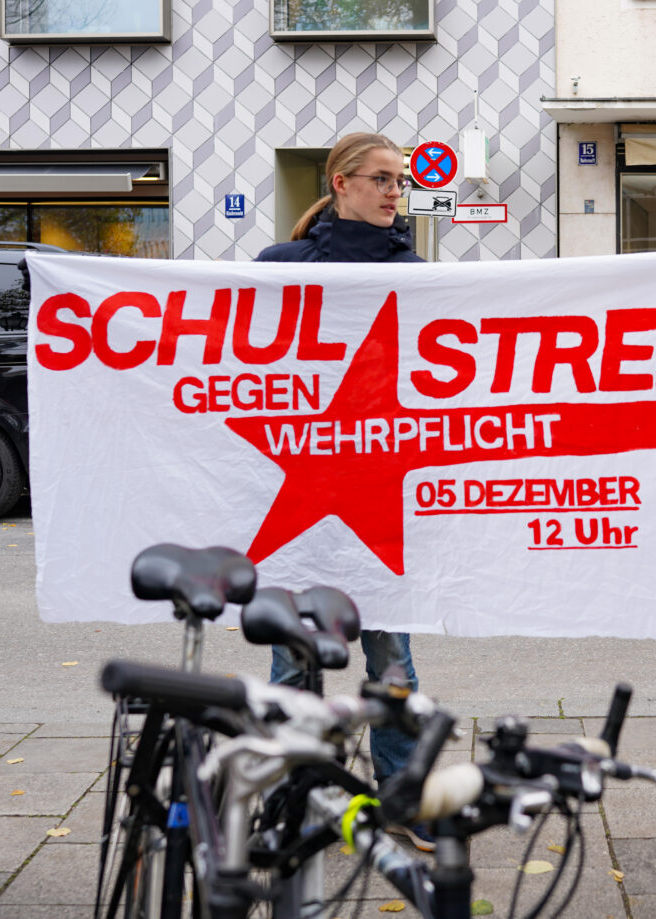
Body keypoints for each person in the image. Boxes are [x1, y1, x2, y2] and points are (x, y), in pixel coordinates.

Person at [255, 132, 432, 852]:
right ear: (340, 182)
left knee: (391, 661)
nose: (396, 192)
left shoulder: (417, 273)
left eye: (402, 182)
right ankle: (295, 793)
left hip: (378, 494)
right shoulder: (280, 267)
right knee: (294, 659)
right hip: (300, 491)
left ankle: (399, 801)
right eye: (382, 179)